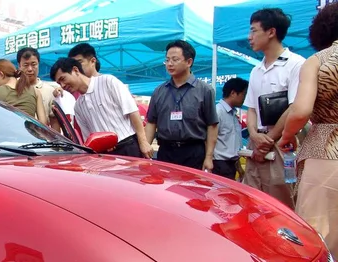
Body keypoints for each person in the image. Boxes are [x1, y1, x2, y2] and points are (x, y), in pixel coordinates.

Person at [278, 2, 338, 258]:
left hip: (326, 148)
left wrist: (286, 136)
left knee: (319, 238)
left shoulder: (318, 61)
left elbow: (300, 111)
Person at [242, 8, 305, 209]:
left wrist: (270, 140)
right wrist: (253, 134)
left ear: (271, 32)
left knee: (281, 204)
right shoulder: (256, 70)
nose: (249, 37)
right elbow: (250, 108)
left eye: (253, 31)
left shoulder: (296, 64)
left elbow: (295, 107)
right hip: (257, 144)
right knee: (251, 200)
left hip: (282, 144)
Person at [50, 57, 152, 158]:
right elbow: (89, 138)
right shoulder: (78, 107)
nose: (62, 85)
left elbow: (133, 111)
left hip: (128, 146)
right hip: (105, 155)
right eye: (59, 83)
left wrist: (143, 142)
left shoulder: (108, 81)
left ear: (75, 70)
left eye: (63, 79)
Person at [145, 40, 218, 171]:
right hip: (165, 151)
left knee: (190, 190)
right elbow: (151, 122)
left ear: (189, 62)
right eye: (167, 60)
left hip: (193, 152)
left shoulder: (205, 90)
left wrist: (209, 157)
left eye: (175, 59)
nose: (169, 64)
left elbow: (212, 125)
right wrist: (145, 148)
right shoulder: (159, 91)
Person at [0, 59, 47, 125]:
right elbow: (43, 123)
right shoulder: (35, 92)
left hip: (5, 135)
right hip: (29, 135)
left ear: (1, 74)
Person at [213, 78, 249, 180]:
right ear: (233, 93)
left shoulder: (232, 113)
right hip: (220, 164)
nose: (244, 98)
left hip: (231, 164)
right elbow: (210, 138)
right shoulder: (218, 112)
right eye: (243, 94)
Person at [16, 47, 60, 130]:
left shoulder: (50, 91)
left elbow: (54, 121)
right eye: (25, 65)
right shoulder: (12, 88)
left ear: (38, 64)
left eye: (33, 64)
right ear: (19, 66)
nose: (30, 69)